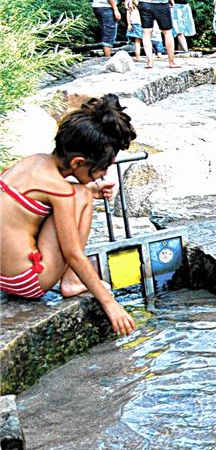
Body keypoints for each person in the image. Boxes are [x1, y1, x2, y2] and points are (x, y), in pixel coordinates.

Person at [0, 95, 137, 336]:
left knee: (81, 191)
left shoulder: (32, 162)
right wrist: (109, 303)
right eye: (102, 168)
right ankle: (73, 281)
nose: (102, 175)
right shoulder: (60, 191)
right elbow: (73, 253)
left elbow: (27, 208)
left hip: (4, 275)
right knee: (80, 195)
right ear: (77, 162)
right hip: (27, 281)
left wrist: (87, 188)